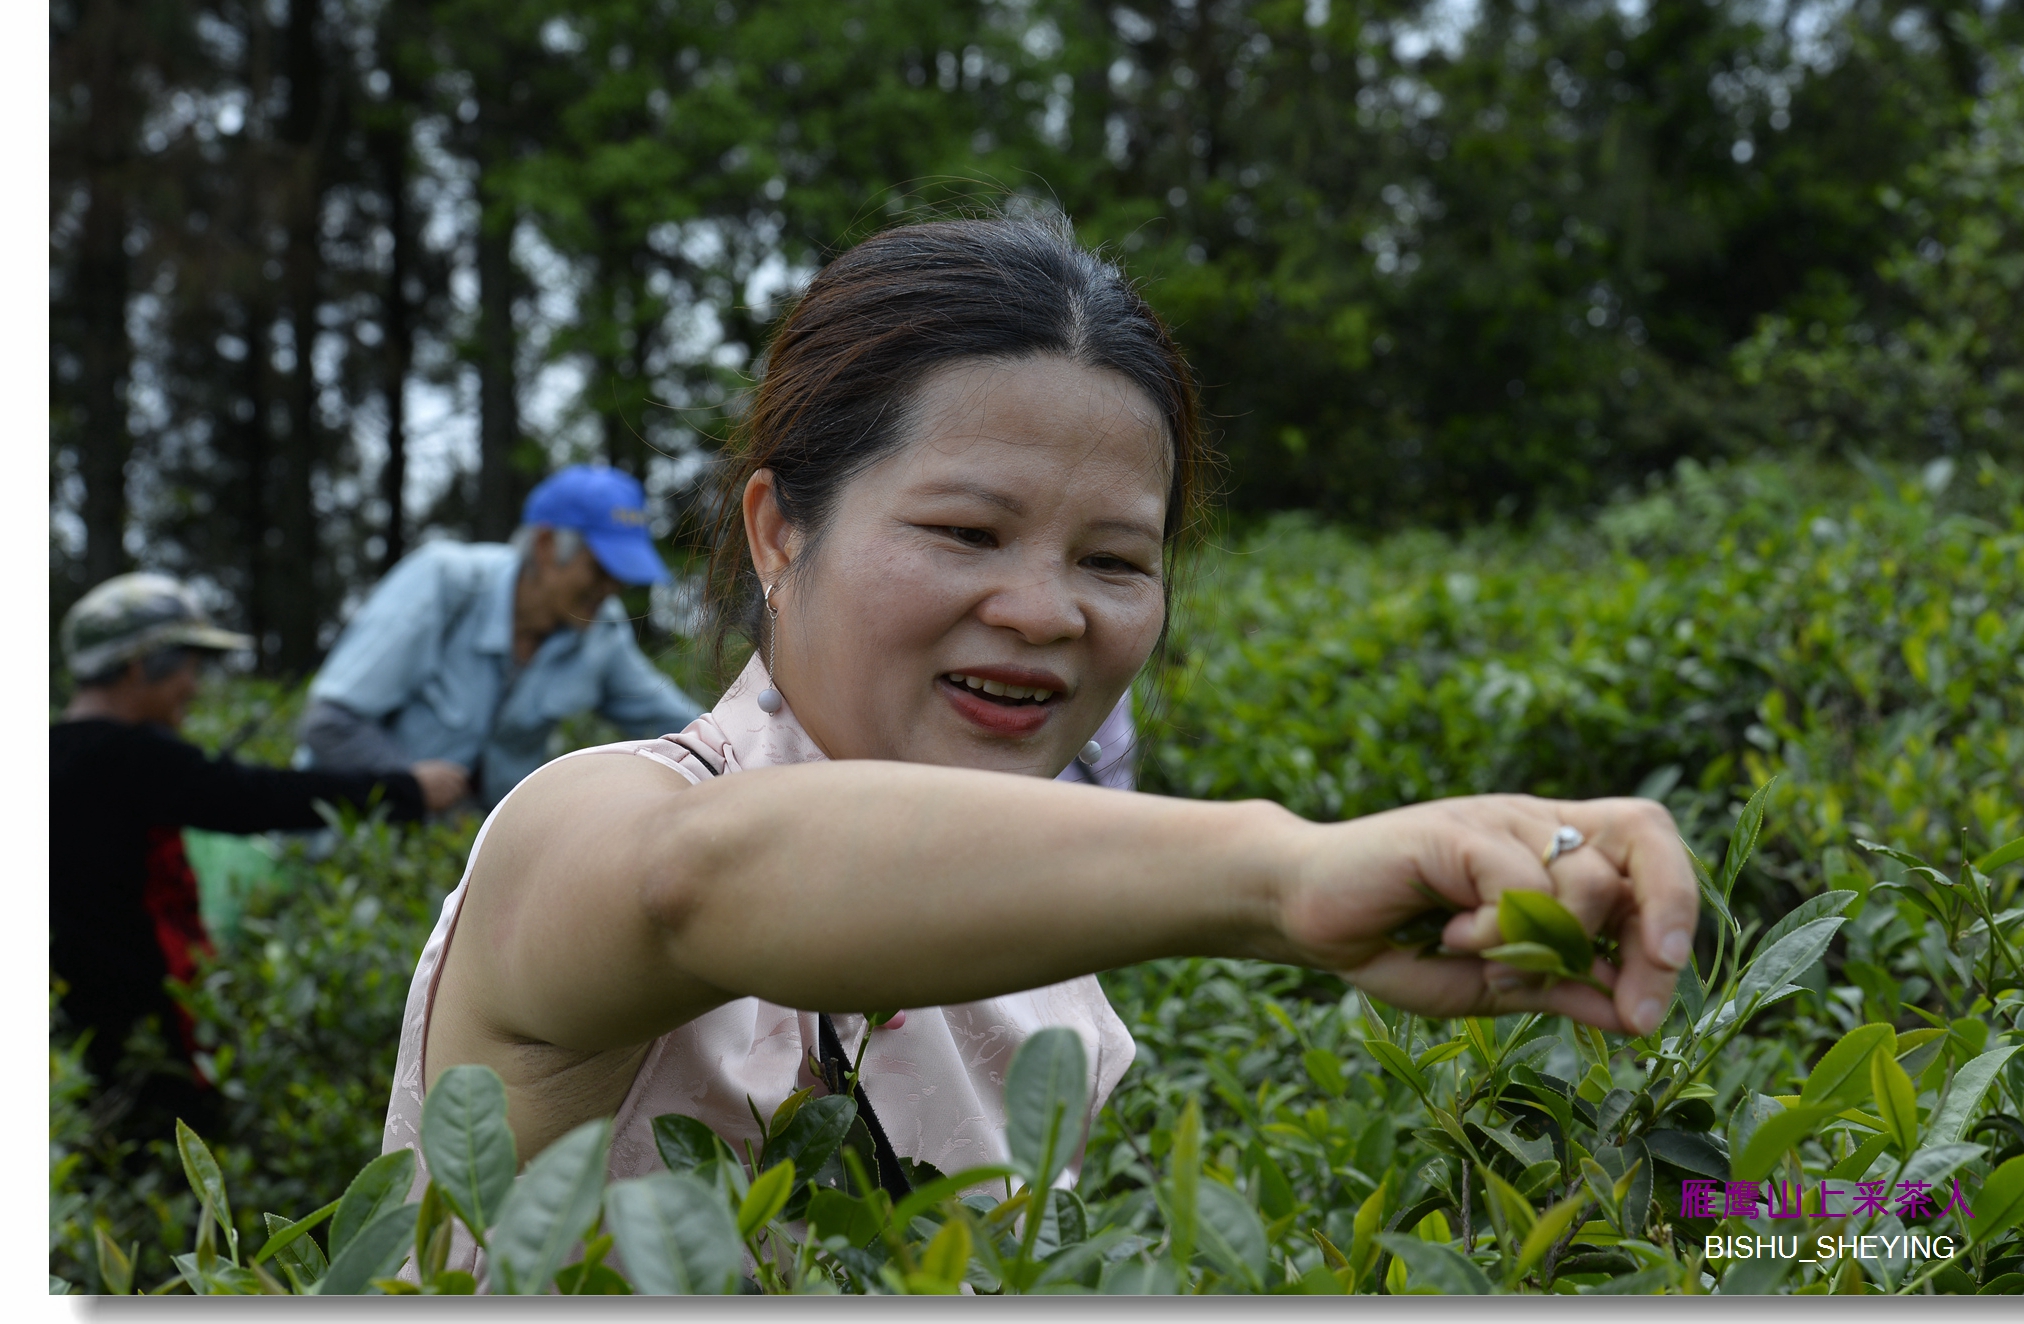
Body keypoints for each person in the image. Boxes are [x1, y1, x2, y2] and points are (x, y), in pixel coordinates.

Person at [382, 217, 1698, 1276]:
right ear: (780, 530)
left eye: (1115, 558)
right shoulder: (593, 822)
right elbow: (694, 883)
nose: (1043, 611)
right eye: (965, 532)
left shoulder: (1050, 991)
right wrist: (1279, 872)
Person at [50, 573, 467, 1138]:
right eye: (188, 668)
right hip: (143, 1031)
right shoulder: (131, 757)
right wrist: (405, 790)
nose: (194, 687)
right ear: (138, 666)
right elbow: (257, 797)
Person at [297, 465, 705, 808]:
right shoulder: (445, 583)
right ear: (546, 546)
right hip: (344, 848)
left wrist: (752, 752)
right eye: (600, 570)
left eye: (623, 574)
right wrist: (407, 782)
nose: (611, 588)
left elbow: (676, 723)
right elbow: (330, 723)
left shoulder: (602, 630)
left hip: (457, 870)